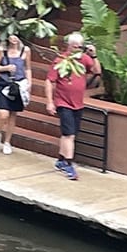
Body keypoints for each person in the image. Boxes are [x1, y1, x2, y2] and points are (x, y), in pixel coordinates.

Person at [47, 31, 94, 182]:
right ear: (69, 46)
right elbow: (49, 81)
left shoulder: (83, 58)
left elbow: (97, 71)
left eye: (80, 47)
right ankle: (69, 164)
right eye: (75, 47)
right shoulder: (61, 60)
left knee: (69, 133)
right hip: (63, 102)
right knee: (69, 134)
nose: (78, 49)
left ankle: (61, 160)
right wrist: (49, 101)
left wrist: (94, 55)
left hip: (78, 103)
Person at [0, 32, 30, 155]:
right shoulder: (2, 50)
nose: (13, 38)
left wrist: (29, 84)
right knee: (3, 114)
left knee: (13, 115)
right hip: (4, 84)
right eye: (11, 36)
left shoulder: (25, 50)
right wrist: (5, 68)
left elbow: (28, 68)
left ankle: (7, 142)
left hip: (18, 85)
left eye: (16, 35)